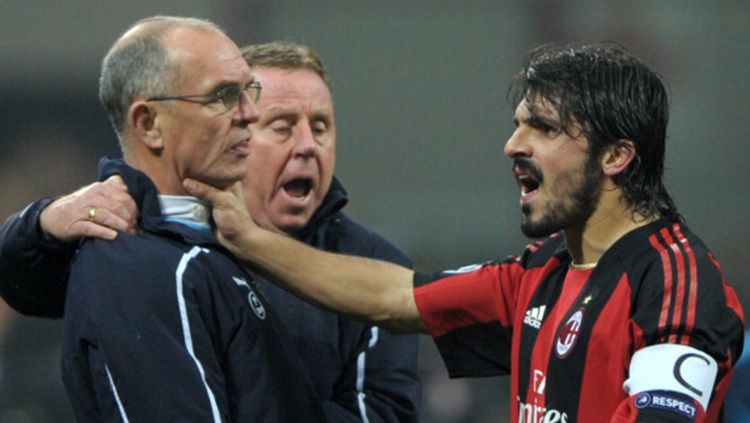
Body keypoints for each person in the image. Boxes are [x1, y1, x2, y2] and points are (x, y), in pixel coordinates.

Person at [183, 43, 745, 422]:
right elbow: (391, 295)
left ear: (617, 155)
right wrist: (249, 240)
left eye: (543, 128)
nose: (513, 145)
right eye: (518, 124)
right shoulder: (540, 272)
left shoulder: (676, 282)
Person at [0, 41, 420, 421]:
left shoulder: (373, 266)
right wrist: (41, 222)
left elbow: (385, 415)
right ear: (235, 134)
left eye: (322, 126)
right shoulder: (155, 237)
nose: (308, 145)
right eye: (282, 126)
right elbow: (25, 287)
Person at [58, 16, 326, 422]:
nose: (250, 113)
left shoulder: (223, 242)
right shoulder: (140, 268)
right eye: (223, 95)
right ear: (149, 124)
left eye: (247, 90)